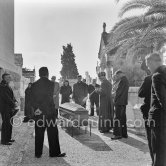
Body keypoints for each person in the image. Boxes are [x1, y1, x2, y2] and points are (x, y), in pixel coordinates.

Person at [30, 67, 66, 158]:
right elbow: (48, 98)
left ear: (39, 74)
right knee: (53, 133)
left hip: (39, 113)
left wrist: (36, 109)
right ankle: (54, 153)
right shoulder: (51, 84)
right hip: (49, 112)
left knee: (38, 133)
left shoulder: (34, 85)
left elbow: (32, 99)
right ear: (47, 73)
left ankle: (38, 153)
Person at [145, 53, 166, 166]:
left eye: (148, 64)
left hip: (158, 119)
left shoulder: (157, 75)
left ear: (153, 62)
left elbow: (162, 99)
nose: (148, 67)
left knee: (158, 150)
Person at [138, 75, 154, 164]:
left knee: (151, 138)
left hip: (151, 111)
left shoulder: (149, 78)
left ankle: (154, 162)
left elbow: (140, 93)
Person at [0, 73, 18, 145]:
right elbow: (6, 97)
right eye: (8, 77)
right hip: (5, 108)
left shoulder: (7, 85)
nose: (10, 78)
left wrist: (15, 101)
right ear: (4, 78)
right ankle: (4, 140)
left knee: (10, 123)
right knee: (6, 124)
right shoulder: (2, 86)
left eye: (10, 77)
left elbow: (11, 96)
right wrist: (14, 104)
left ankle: (8, 138)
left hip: (9, 108)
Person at [112, 70, 129, 140]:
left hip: (119, 102)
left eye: (117, 75)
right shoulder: (126, 80)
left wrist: (114, 96)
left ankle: (117, 134)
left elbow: (119, 91)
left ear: (120, 74)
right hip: (123, 102)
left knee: (117, 118)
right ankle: (124, 134)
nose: (117, 77)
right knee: (122, 118)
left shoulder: (122, 81)